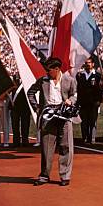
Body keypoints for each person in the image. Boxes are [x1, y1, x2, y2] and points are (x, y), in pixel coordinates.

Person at [27, 57, 77, 186]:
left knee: (66, 146)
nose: (46, 72)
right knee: (46, 147)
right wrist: (37, 108)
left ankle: (65, 176)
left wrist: (70, 101)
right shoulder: (43, 81)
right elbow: (30, 93)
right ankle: (44, 175)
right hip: (48, 115)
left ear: (57, 69)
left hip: (64, 114)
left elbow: (74, 95)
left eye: (49, 70)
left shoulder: (69, 80)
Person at [76, 57, 103, 144]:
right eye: (86, 63)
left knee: (92, 121)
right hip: (83, 103)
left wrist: (99, 101)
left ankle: (92, 138)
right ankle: (85, 138)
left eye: (89, 63)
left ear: (93, 64)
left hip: (93, 102)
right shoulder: (80, 76)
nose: (88, 64)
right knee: (84, 122)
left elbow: (100, 90)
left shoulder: (97, 76)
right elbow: (78, 89)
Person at [10, 82, 31, 147]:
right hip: (14, 105)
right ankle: (16, 141)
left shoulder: (27, 80)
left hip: (25, 105)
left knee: (25, 124)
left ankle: (25, 140)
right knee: (14, 124)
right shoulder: (13, 80)